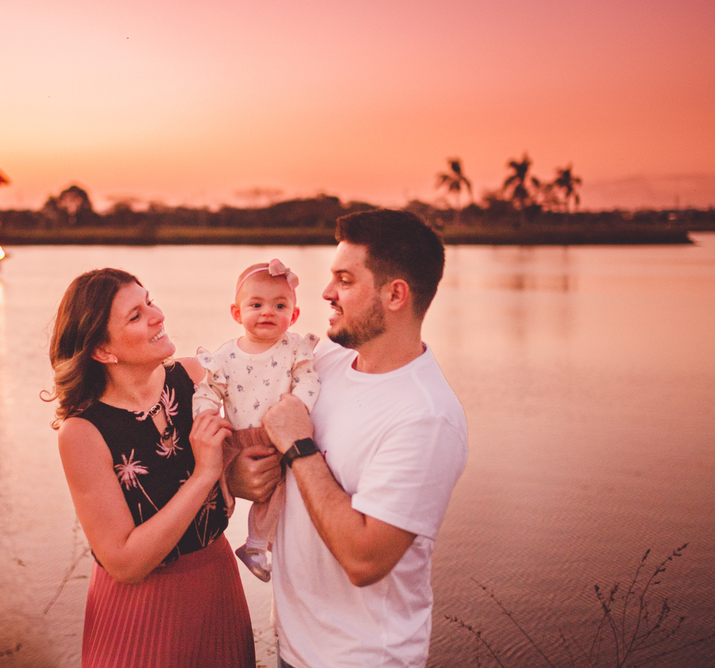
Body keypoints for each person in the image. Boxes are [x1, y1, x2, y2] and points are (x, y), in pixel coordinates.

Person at [230, 210, 469, 668]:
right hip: (295, 651)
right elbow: (238, 370)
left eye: (344, 279)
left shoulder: (425, 417)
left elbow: (364, 560)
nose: (326, 293)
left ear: (395, 294)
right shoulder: (326, 361)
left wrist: (299, 448)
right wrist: (240, 475)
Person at [46, 268, 256, 667]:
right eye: (136, 316)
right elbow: (124, 563)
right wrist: (205, 475)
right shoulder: (84, 432)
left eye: (150, 301)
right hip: (140, 612)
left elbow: (235, 479)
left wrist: (233, 471)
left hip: (217, 587)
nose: (157, 315)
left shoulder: (197, 379)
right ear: (103, 352)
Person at [192, 258, 319, 582]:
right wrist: (205, 415)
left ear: (294, 315)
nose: (267, 312)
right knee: (223, 485)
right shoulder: (225, 357)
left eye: (279, 305)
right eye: (256, 304)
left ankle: (259, 544)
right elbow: (209, 391)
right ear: (237, 313)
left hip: (280, 433)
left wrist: (296, 406)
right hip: (240, 436)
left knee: (281, 489)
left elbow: (308, 380)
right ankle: (224, 538)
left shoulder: (293, 348)